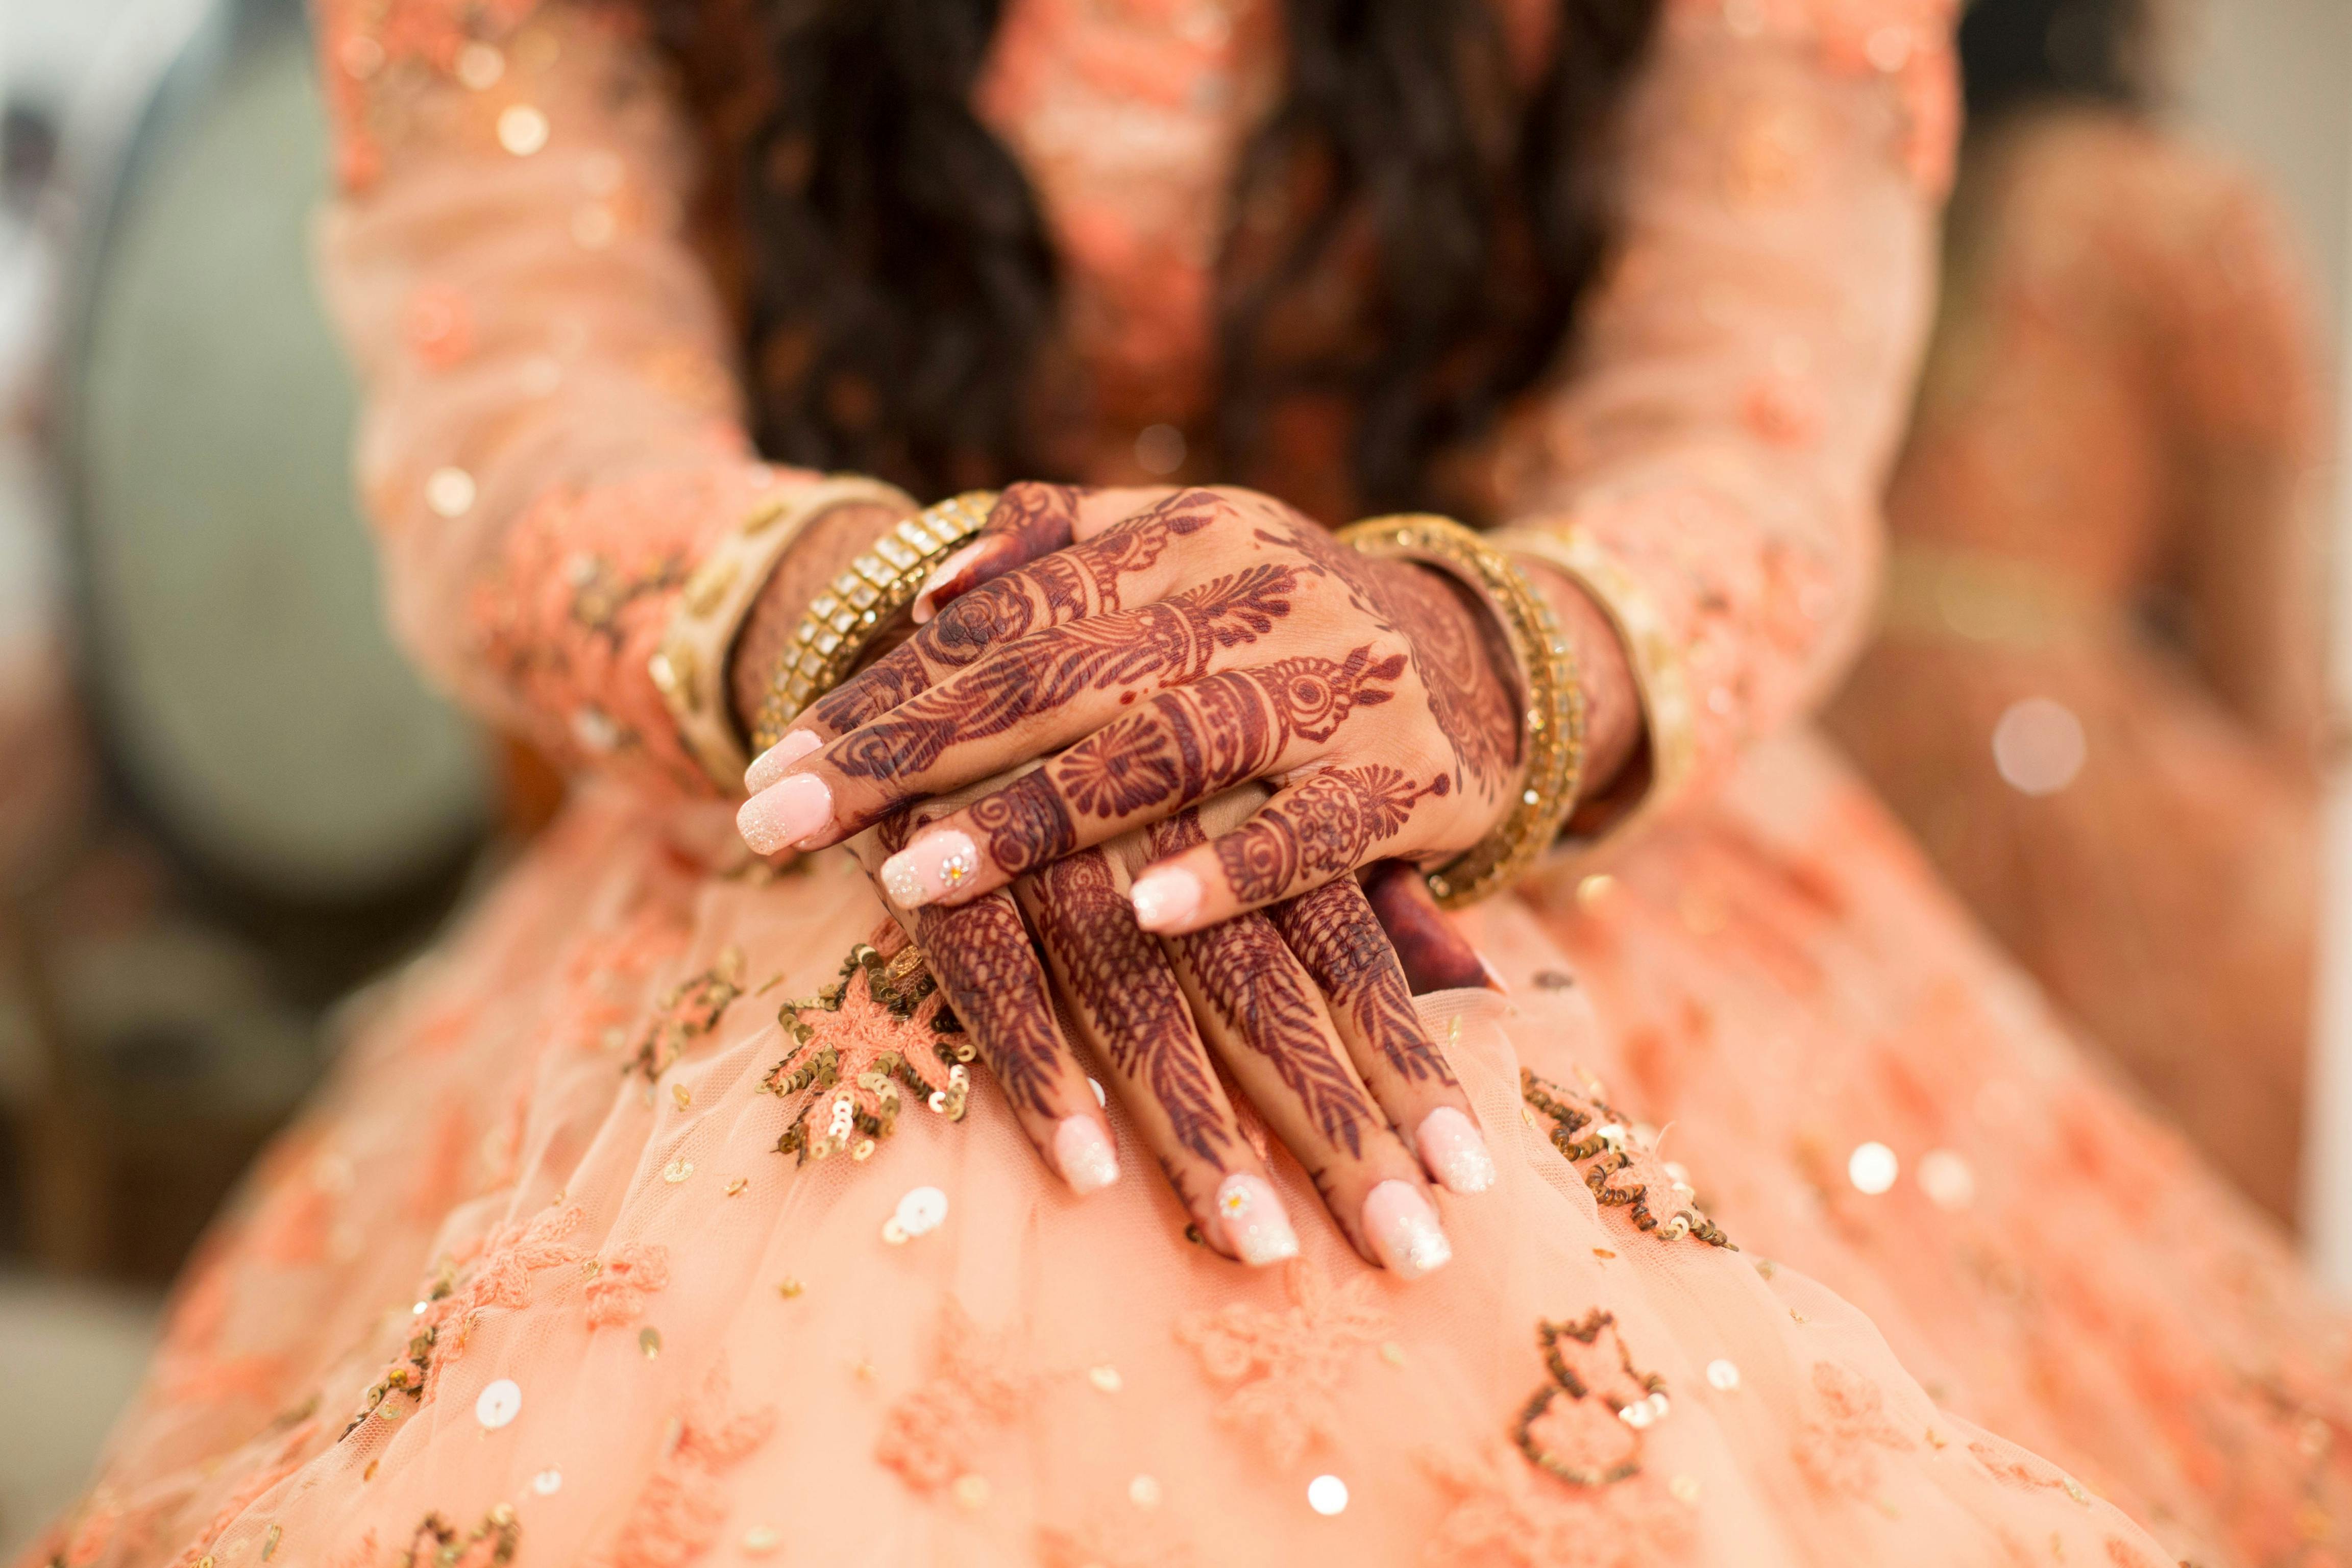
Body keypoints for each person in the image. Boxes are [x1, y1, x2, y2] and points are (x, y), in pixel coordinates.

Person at [20, 2, 2347, 1565]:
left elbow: (1749, 412)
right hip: (830, 788)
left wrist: (1468, 655)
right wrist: (933, 632)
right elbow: (525, 405)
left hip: (1529, 818)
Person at [1824, 0, 2328, 1225]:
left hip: (1825, 722)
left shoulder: (1879, 182)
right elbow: (2271, 663)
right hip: (2056, 785)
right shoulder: (2187, 216)